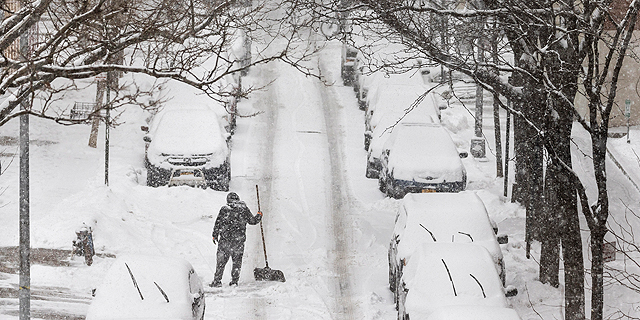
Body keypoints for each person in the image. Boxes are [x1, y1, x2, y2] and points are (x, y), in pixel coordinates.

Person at [211, 192, 262, 287]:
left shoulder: (224, 209)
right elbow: (252, 221)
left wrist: (215, 235)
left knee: (221, 262)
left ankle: (217, 281)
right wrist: (259, 215)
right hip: (238, 241)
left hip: (225, 241)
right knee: (237, 262)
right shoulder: (243, 209)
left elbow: (218, 223)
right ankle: (234, 281)